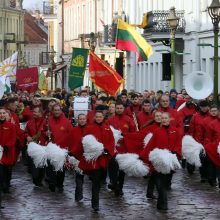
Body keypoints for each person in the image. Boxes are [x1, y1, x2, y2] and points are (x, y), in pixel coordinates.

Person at [140, 112, 181, 210]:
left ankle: (160, 204)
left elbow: (179, 144)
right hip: (158, 162)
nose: (164, 120)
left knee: (166, 183)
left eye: (166, 118)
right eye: (162, 118)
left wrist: (175, 152)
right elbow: (151, 144)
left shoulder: (175, 131)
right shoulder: (157, 131)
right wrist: (142, 156)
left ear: (170, 119)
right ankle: (164, 205)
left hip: (170, 161)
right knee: (160, 183)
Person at [79, 111, 115, 212]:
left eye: (100, 117)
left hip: (103, 157)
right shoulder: (89, 128)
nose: (99, 118)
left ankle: (95, 201)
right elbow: (85, 141)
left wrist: (106, 150)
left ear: (103, 117)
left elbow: (111, 141)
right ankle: (95, 203)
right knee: (95, 181)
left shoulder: (107, 128)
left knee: (99, 180)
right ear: (94, 117)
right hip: (94, 160)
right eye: (97, 117)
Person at [107, 101, 136, 196]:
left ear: (124, 109)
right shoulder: (110, 120)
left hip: (124, 148)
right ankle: (114, 183)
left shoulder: (129, 120)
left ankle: (120, 187)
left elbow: (133, 133)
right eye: (117, 108)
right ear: (115, 109)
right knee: (113, 168)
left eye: (121, 108)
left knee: (122, 169)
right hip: (113, 148)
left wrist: (126, 135)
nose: (119, 110)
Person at [46, 104, 73, 192]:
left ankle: (60, 184)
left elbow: (71, 134)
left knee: (61, 169)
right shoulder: (48, 120)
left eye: (58, 110)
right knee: (51, 166)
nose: (57, 111)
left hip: (62, 149)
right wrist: (46, 133)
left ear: (61, 111)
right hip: (52, 148)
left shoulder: (66, 122)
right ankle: (52, 183)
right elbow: (43, 131)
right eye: (55, 110)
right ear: (52, 111)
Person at [25, 106, 46, 187]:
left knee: (41, 164)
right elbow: (26, 132)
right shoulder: (30, 122)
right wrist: (27, 136)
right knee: (33, 163)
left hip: (42, 145)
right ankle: (35, 178)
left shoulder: (45, 122)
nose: (33, 113)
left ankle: (39, 179)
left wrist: (32, 138)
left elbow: (41, 132)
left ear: (40, 113)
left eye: (35, 112)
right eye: (33, 112)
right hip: (32, 146)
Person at [189, 100, 210, 182]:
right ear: (200, 107)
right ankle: (203, 176)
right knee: (202, 158)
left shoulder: (211, 115)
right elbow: (191, 130)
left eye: (205, 107)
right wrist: (192, 140)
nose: (204, 109)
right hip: (198, 141)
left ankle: (209, 175)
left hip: (209, 141)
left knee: (209, 159)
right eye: (202, 107)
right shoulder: (195, 116)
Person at [0, 108, 17, 208]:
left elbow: (13, 139)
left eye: (3, 113)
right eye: (0, 113)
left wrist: (7, 146)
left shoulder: (10, 126)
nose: (1, 115)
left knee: (3, 177)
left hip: (6, 155)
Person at [68, 114, 87, 202]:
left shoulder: (89, 130)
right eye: (80, 119)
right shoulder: (73, 130)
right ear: (77, 120)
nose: (82, 120)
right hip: (77, 157)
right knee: (79, 177)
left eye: (84, 119)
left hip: (87, 156)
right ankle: (78, 195)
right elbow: (70, 142)